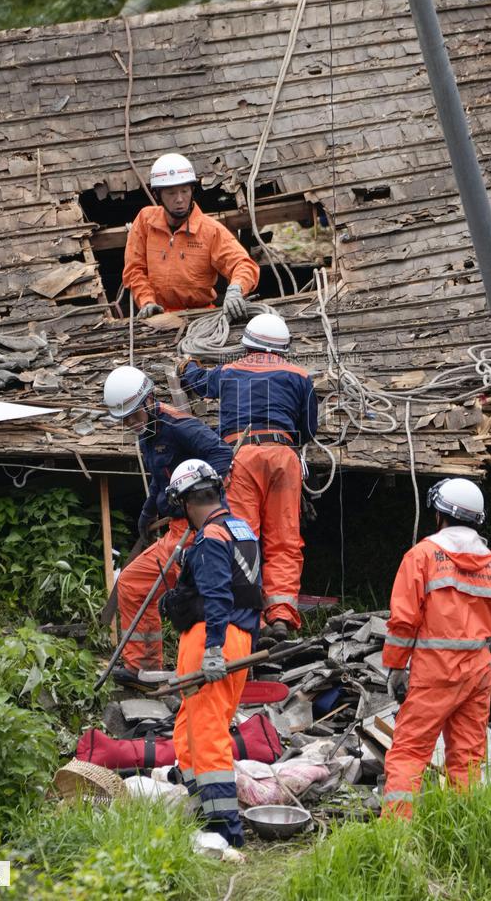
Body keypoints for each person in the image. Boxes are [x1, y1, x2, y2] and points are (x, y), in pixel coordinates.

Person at [382, 477, 491, 819]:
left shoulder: (422, 556)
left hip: (433, 673)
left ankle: (393, 836)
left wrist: (396, 668)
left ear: (440, 515)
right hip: (477, 675)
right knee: (467, 758)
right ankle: (463, 835)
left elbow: (404, 621)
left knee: (409, 753)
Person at [179, 313, 318, 641]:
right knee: (285, 538)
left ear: (247, 345)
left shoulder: (229, 371)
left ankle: (251, 620)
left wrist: (187, 367)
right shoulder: (300, 375)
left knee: (243, 539)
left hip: (241, 455)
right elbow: (309, 430)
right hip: (283, 456)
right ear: (283, 348)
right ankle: (282, 613)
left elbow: (198, 383)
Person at [103, 364, 234, 682]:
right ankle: (144, 667)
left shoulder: (178, 425)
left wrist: (197, 500)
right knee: (133, 582)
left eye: (134, 416)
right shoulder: (147, 435)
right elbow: (159, 482)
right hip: (174, 529)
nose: (132, 424)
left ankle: (212, 661)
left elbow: (222, 453)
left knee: (195, 597)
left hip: (197, 529)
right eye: (125, 420)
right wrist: (147, 515)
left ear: (148, 401)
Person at [161, 459, 262, 847]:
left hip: (210, 638)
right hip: (239, 636)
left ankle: (223, 832)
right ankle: (201, 810)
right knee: (189, 727)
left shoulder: (209, 538)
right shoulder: (243, 531)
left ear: (185, 502)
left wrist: (214, 650)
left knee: (206, 733)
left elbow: (218, 594)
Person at [122, 153, 259, 320]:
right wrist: (147, 301)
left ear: (192, 191)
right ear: (157, 195)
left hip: (201, 317)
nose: (179, 199)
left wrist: (236, 289)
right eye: (171, 193)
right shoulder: (145, 221)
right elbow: (134, 269)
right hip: (158, 317)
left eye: (184, 191)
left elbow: (243, 264)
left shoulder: (210, 230)